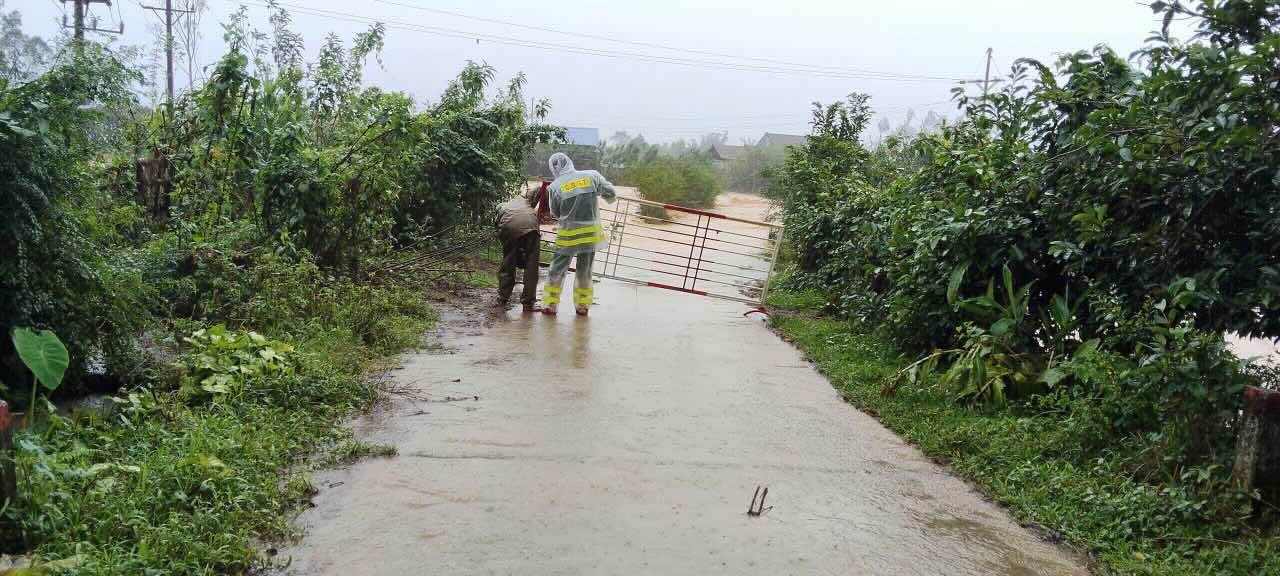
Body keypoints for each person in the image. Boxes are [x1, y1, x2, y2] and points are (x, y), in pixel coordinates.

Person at [543, 152, 616, 316]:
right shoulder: (592, 176)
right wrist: (595, 193)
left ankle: (550, 305)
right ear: (569, 161)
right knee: (585, 271)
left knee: (557, 269)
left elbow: (555, 212)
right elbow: (611, 193)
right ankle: (582, 307)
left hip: (567, 235)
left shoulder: (555, 186)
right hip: (590, 235)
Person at [494, 186, 546, 312]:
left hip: (509, 227)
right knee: (531, 265)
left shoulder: (503, 208)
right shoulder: (523, 202)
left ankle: (502, 298)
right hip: (531, 226)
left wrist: (511, 252)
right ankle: (528, 303)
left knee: (508, 262)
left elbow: (498, 228)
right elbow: (536, 193)